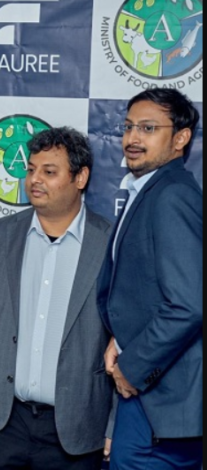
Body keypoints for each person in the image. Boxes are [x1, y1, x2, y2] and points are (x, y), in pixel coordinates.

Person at [0, 126, 114, 469]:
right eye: (30, 170)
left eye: (49, 171)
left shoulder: (110, 242)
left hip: (76, 425)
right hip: (4, 420)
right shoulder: (1, 233)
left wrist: (114, 423)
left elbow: (123, 336)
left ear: (80, 177)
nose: (33, 180)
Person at [98, 89, 202, 469]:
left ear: (180, 138)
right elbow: (151, 290)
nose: (132, 138)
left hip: (161, 402)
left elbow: (189, 304)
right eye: (128, 127)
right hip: (148, 399)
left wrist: (133, 365)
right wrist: (121, 336)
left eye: (147, 128)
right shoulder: (150, 191)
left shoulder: (172, 195)